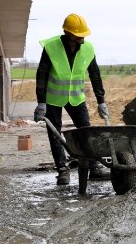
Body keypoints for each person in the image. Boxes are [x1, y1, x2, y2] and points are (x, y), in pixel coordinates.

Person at [34, 13, 110, 185]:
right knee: (55, 134)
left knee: (86, 131)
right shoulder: (51, 47)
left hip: (76, 97)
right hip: (53, 98)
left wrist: (101, 101)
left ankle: (94, 168)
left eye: (83, 34)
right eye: (78, 35)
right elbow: (42, 75)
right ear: (68, 33)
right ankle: (62, 170)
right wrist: (41, 102)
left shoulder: (88, 48)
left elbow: (95, 74)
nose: (82, 38)